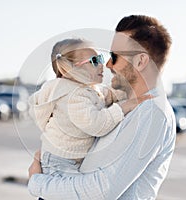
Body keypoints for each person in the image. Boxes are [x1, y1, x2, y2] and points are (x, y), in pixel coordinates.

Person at [28, 14, 175, 200]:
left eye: (114, 56)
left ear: (140, 61)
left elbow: (101, 190)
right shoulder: (122, 104)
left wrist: (37, 182)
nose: (107, 64)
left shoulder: (151, 112)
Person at [29, 38, 146, 180]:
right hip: (60, 161)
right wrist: (124, 107)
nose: (102, 64)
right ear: (72, 68)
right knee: (63, 193)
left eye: (100, 58)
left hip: (72, 159)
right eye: (95, 61)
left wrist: (130, 90)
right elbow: (96, 124)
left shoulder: (88, 90)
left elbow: (106, 96)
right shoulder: (71, 97)